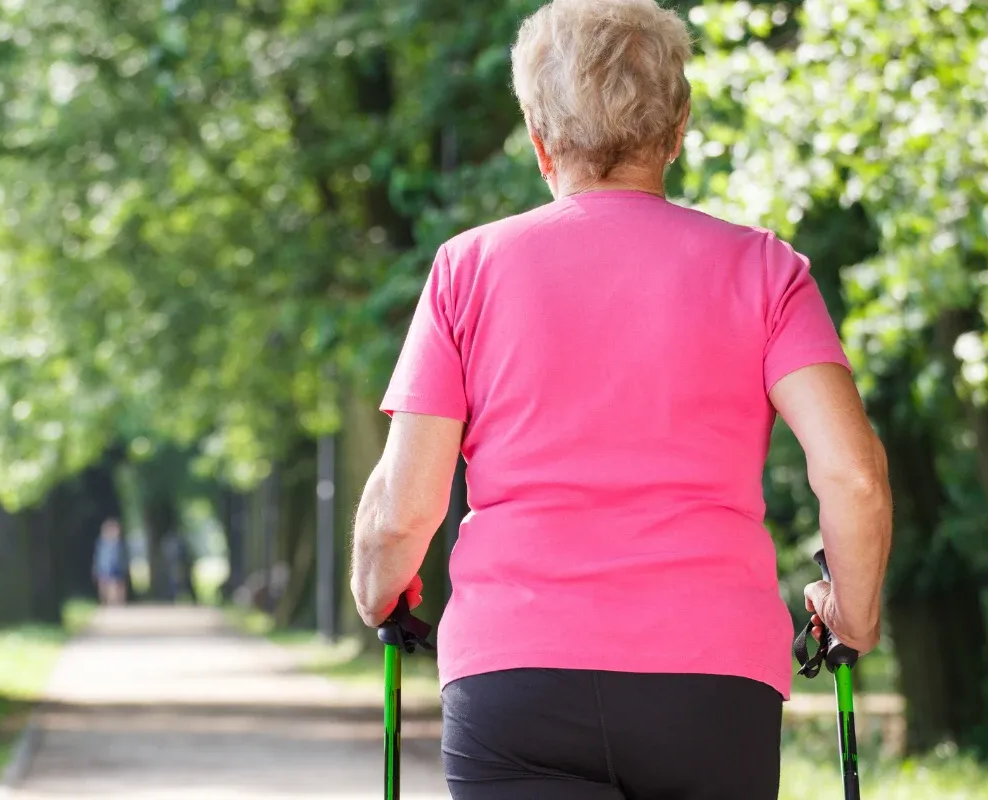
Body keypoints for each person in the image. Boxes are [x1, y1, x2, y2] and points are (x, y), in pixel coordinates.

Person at [348, 1, 893, 798]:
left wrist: (377, 586)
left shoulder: (467, 271)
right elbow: (855, 479)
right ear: (676, 132)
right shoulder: (767, 272)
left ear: (539, 141)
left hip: (517, 680)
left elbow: (402, 510)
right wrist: (854, 613)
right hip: (711, 685)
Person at [92, 518, 128, 606]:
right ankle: (107, 603)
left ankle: (116, 602)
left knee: (116, 586)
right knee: (105, 586)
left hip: (116, 568)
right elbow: (98, 557)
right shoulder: (102, 543)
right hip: (104, 568)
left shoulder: (119, 544)